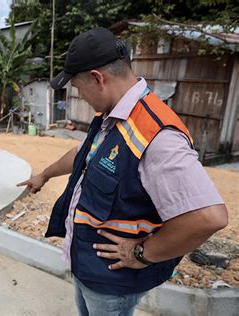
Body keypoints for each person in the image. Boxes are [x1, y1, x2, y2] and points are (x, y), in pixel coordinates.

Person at [17, 27, 228, 316]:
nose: (81, 95)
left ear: (97, 78)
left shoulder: (157, 135)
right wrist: (45, 174)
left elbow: (208, 217)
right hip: (90, 267)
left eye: (78, 87)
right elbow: (84, 153)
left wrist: (142, 253)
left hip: (113, 281)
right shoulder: (114, 116)